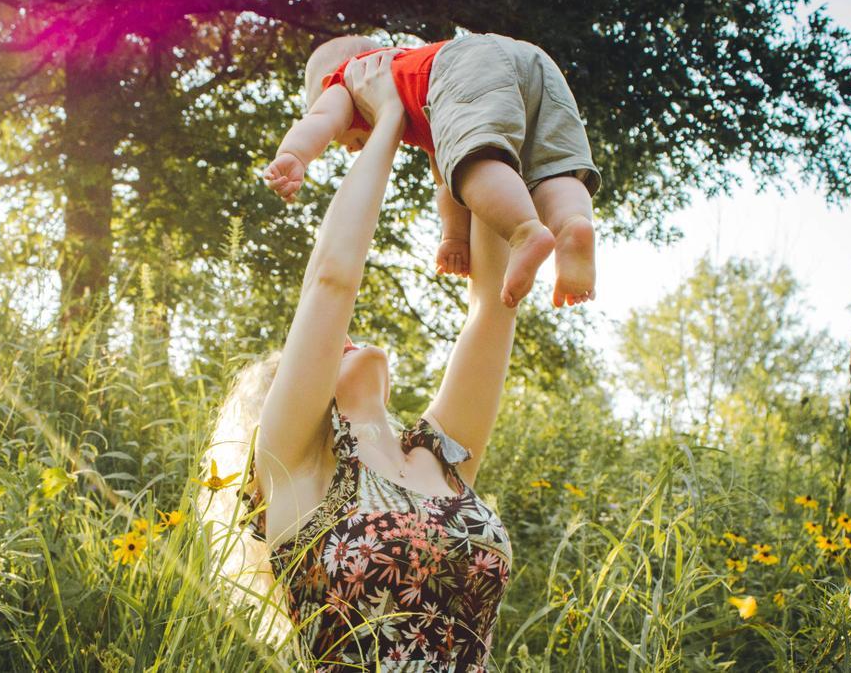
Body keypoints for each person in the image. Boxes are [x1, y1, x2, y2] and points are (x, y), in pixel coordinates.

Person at [206, 52, 517, 671]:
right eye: (328, 350)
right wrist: (386, 122)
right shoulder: (292, 464)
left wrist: (472, 129)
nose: (342, 339)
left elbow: (494, 305)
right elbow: (332, 280)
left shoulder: (440, 457)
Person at [263, 33, 601, 310]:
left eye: (342, 140)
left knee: (475, 164)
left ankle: (525, 231)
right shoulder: (427, 100)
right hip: (533, 62)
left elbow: (321, 119)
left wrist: (294, 154)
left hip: (466, 63)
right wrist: (454, 238)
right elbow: (447, 182)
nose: (349, 146)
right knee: (551, 168)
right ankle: (571, 226)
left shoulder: (350, 79)